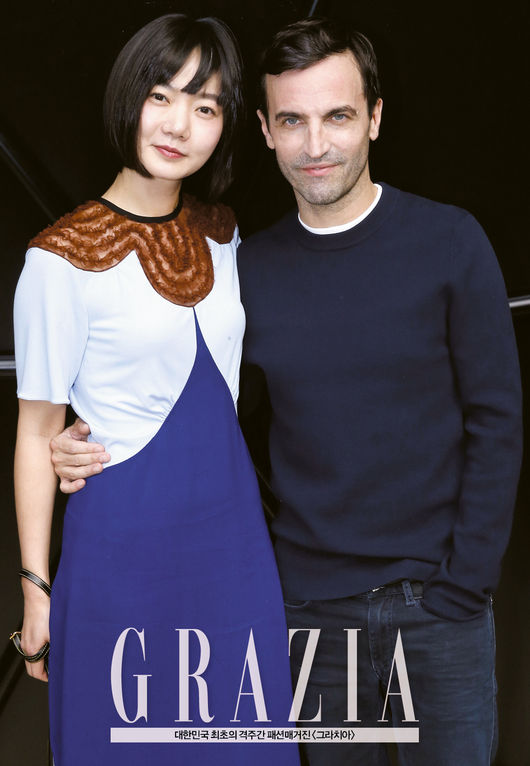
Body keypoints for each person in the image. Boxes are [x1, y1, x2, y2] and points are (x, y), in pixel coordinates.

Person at [49, 16, 522, 766]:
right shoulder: (244, 269)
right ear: (266, 131)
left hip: (437, 604)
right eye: (293, 121)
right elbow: (186, 386)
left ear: (374, 117)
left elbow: (498, 421)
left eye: (338, 116)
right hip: (310, 610)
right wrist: (76, 436)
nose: (316, 144)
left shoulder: (451, 242)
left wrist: (466, 583)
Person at [13, 14, 300, 766]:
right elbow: (36, 432)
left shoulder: (223, 232)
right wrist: (36, 591)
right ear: (128, 97)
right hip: (121, 549)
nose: (179, 125)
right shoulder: (57, 260)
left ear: (226, 125)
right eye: (162, 96)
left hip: (234, 547)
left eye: (206, 106)